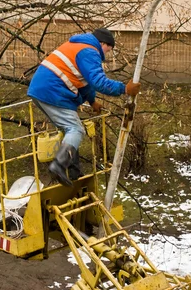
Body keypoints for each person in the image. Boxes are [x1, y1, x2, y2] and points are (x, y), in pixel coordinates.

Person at [27, 28, 141, 187]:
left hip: (43, 89)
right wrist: (124, 89)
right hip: (52, 91)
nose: (108, 52)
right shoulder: (90, 51)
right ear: (103, 43)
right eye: (109, 48)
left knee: (68, 130)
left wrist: (92, 101)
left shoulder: (79, 46)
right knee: (75, 129)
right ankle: (58, 166)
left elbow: (85, 83)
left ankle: (73, 172)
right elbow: (99, 82)